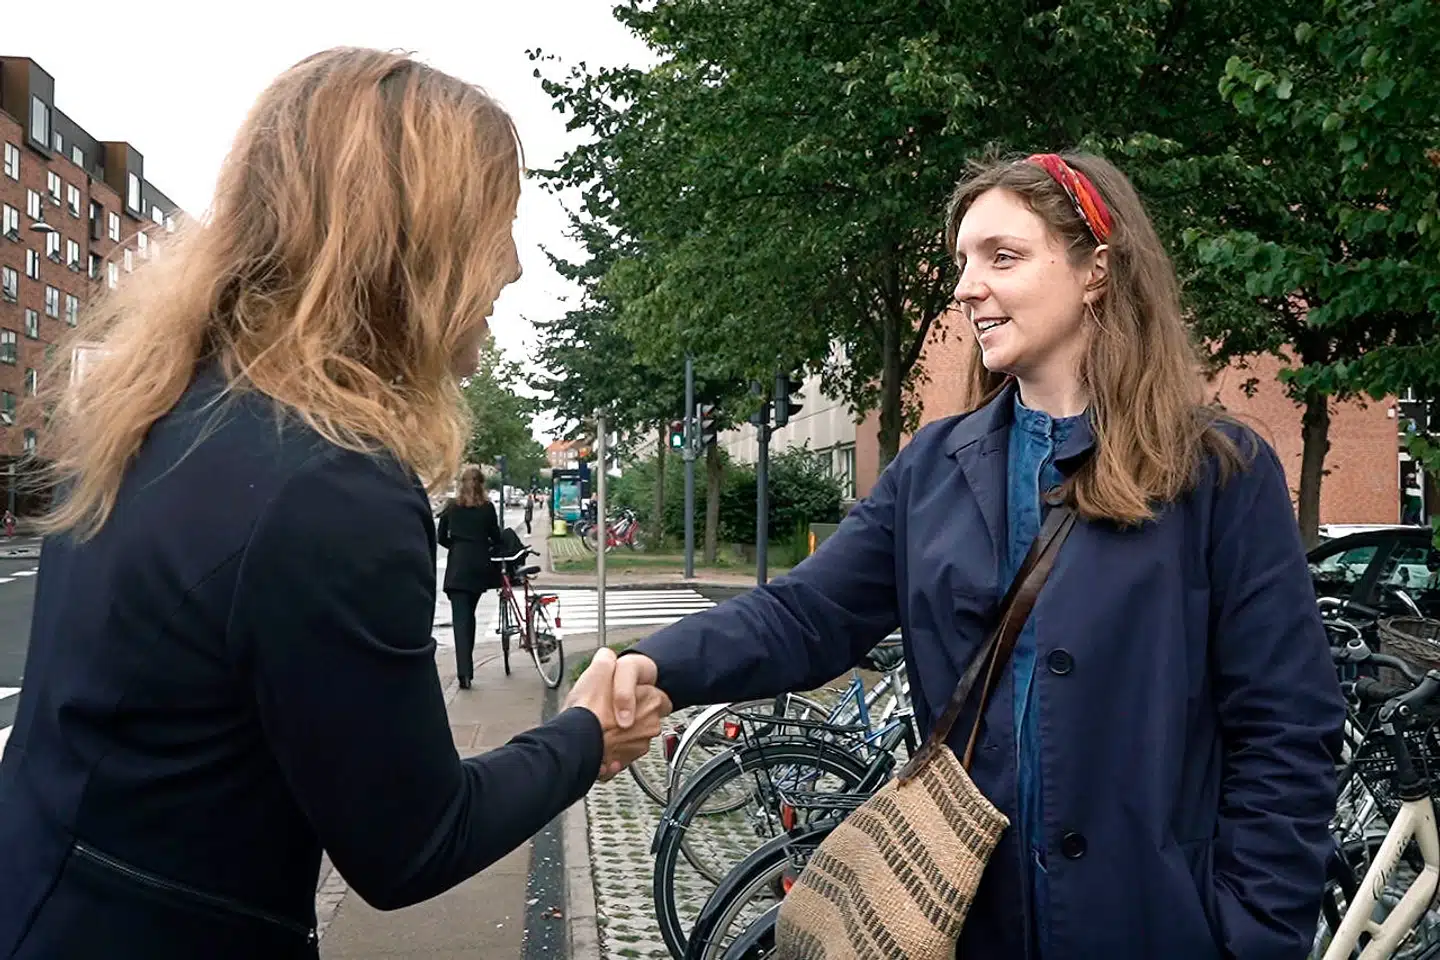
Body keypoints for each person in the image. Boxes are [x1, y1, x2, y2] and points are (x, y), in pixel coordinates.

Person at [0, 48, 668, 960]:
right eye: (497, 227)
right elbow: (410, 844)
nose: (511, 268)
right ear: (409, 244)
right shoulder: (329, 485)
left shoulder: (163, 408)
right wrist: (586, 738)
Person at [608, 152, 1345, 958]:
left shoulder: (1215, 470)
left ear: (1096, 270)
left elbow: (1287, 724)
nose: (965, 287)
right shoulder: (934, 466)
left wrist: (1253, 936)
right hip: (971, 925)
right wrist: (657, 665)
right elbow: (807, 613)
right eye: (963, 261)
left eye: (1003, 256)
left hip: (1156, 924)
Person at [437, 463, 503, 689]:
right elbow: (496, 537)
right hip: (478, 565)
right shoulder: (487, 508)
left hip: (457, 565)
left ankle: (464, 671)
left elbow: (440, 536)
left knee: (460, 619)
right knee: (470, 616)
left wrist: (456, 547)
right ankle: (467, 667)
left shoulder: (451, 507)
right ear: (482, 485)